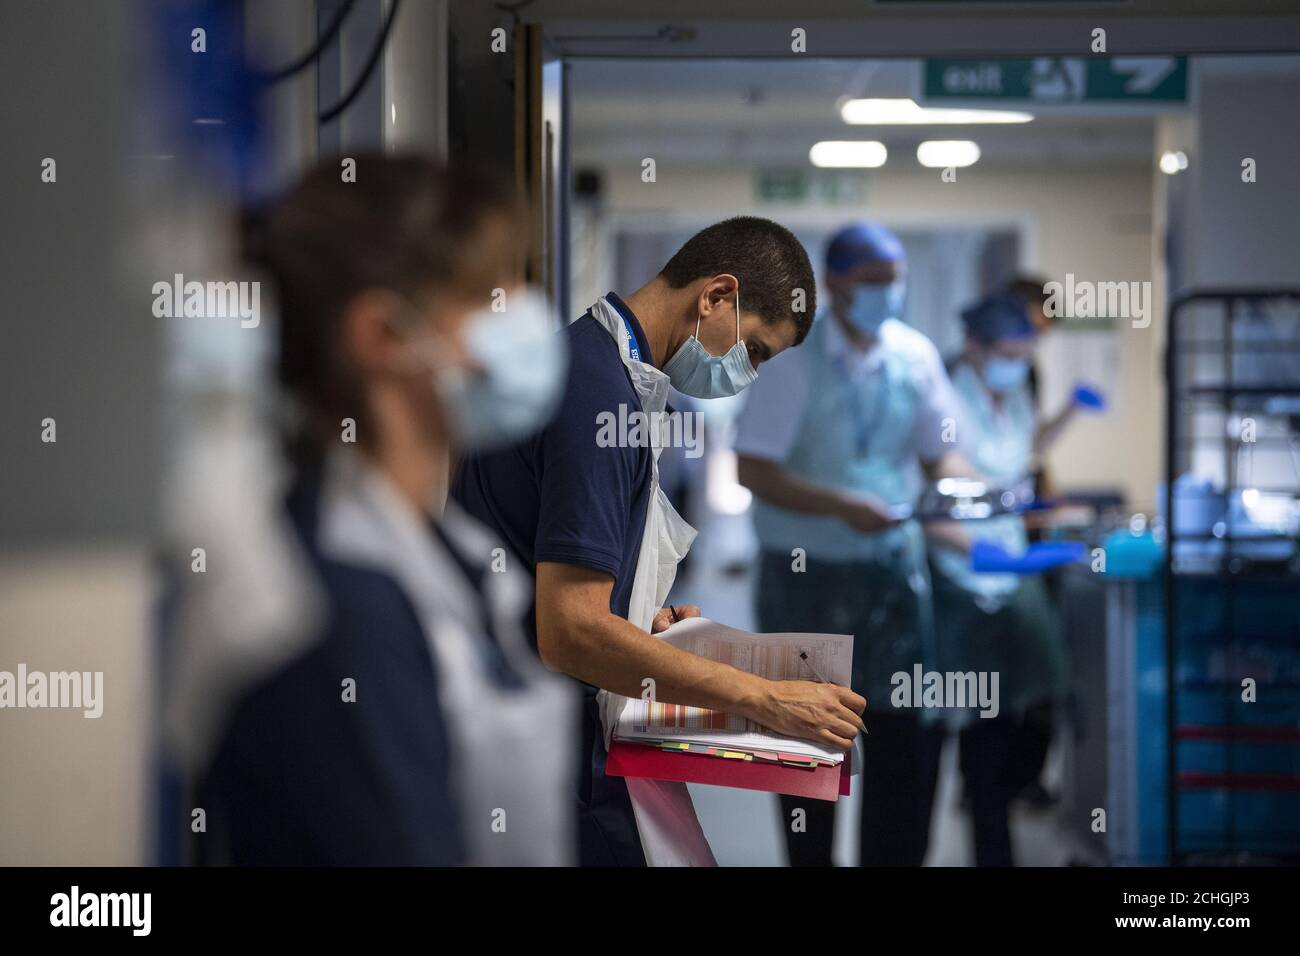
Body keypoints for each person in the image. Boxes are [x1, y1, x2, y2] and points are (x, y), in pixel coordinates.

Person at [194, 155, 576, 865]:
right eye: (495, 295)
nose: (527, 315)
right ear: (384, 336)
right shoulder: (329, 604)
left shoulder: (442, 547)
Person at [452, 217, 866, 866]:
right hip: (544, 742)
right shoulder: (596, 396)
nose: (748, 374)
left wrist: (642, 622)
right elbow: (569, 633)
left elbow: (562, 579)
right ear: (715, 297)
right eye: (755, 350)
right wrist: (763, 697)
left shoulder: (611, 375)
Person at [735, 221, 967, 866]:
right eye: (873, 282)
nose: (888, 293)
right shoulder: (792, 361)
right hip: (805, 582)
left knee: (904, 749)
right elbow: (751, 468)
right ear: (834, 284)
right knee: (808, 750)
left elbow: (940, 452)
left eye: (895, 281)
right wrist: (840, 506)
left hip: (893, 575)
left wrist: (964, 492)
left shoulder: (913, 356)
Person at [926, 292, 1077, 866]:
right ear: (975, 347)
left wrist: (1028, 518)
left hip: (1009, 571)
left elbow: (1016, 468)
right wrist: (986, 546)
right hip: (959, 581)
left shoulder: (1011, 397)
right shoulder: (942, 403)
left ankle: (999, 835)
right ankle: (990, 843)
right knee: (975, 724)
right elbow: (931, 504)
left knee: (1024, 708)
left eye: (1024, 353)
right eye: (1008, 353)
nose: (1016, 365)